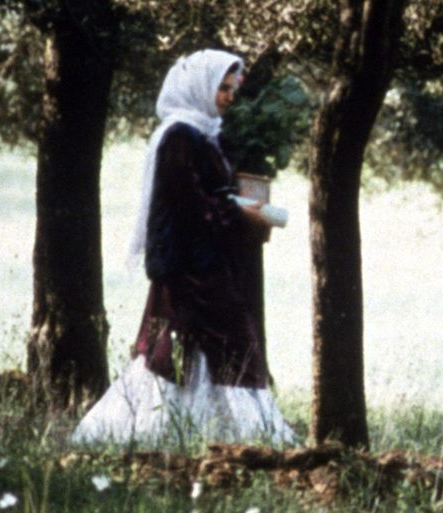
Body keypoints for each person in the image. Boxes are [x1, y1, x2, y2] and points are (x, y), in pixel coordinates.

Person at [71, 49, 295, 445]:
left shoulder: (202, 134)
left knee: (192, 353)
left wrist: (237, 204)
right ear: (199, 87)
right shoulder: (180, 136)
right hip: (188, 269)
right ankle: (240, 438)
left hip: (201, 264)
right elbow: (190, 205)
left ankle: (204, 436)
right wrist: (241, 213)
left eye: (230, 89)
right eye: (221, 88)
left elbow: (209, 195)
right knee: (215, 348)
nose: (227, 96)